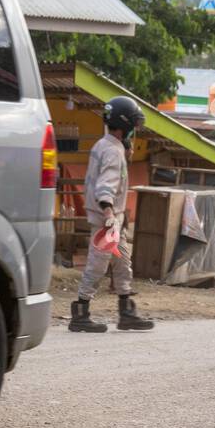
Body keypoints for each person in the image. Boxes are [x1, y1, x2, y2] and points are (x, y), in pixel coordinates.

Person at [68, 96, 155, 333]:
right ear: (124, 123)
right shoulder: (112, 151)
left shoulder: (104, 145)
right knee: (98, 265)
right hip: (106, 218)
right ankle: (80, 311)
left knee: (122, 264)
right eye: (133, 124)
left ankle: (127, 312)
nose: (134, 130)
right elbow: (105, 186)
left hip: (113, 219)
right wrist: (108, 213)